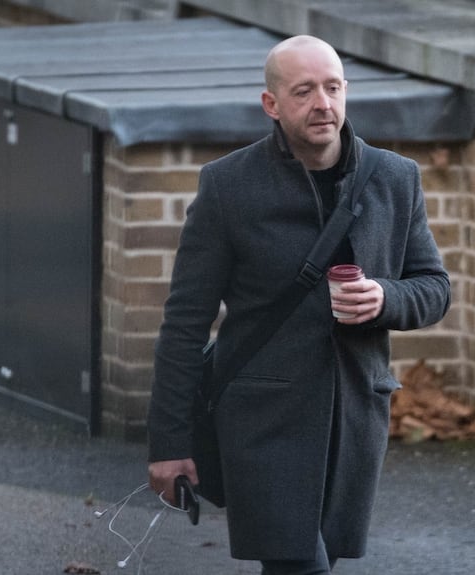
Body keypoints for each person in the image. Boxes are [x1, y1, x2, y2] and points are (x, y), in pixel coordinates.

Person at [145, 35, 451, 574]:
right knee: (300, 566)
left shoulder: (394, 178)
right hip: (262, 421)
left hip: (355, 415)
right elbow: (184, 324)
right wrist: (168, 444)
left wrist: (385, 297)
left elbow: (434, 288)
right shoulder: (228, 186)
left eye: (332, 88)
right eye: (304, 91)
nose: (322, 104)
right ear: (272, 104)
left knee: (314, 560)